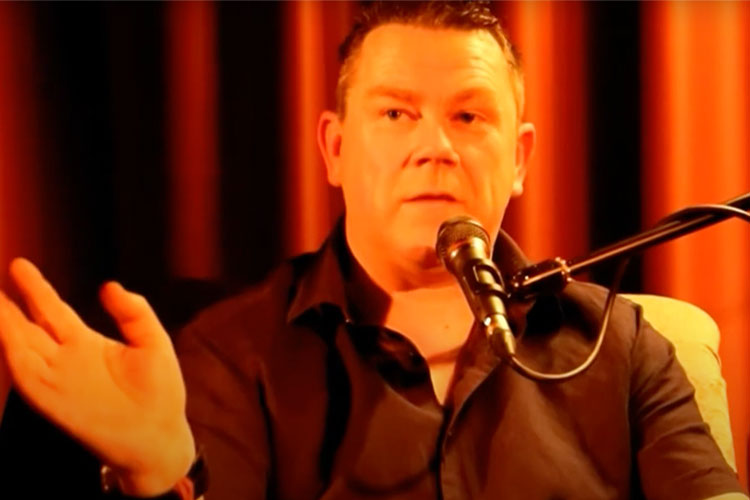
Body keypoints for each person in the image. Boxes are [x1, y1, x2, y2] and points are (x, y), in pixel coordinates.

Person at [0, 2, 746, 499]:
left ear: (519, 158)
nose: (435, 147)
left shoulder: (624, 348)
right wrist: (161, 474)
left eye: (469, 116)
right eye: (395, 113)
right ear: (334, 148)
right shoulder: (231, 353)